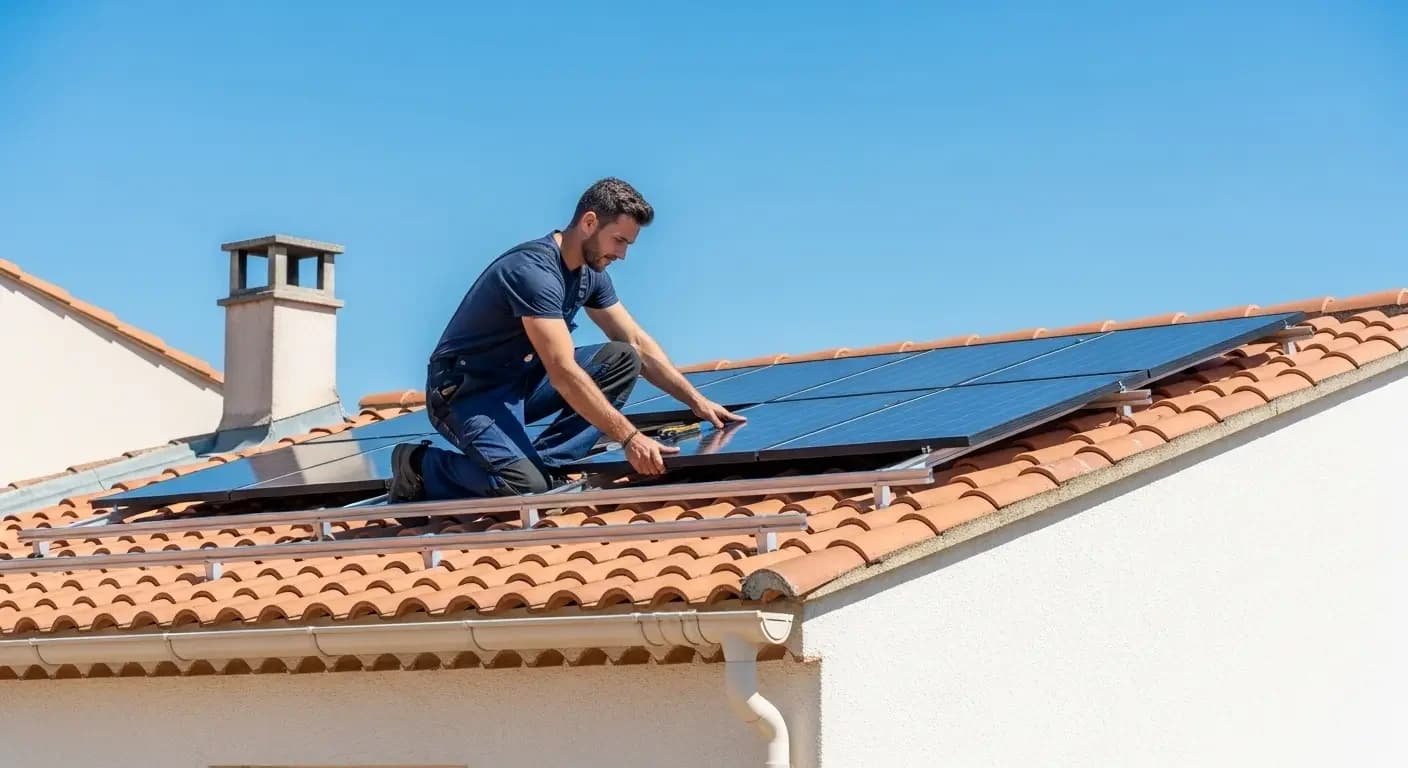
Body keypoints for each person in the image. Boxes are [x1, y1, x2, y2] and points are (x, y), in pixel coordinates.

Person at [387, 177, 746, 505]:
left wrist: (696, 400)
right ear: (589, 222)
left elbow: (634, 340)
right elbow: (562, 370)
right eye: (618, 240)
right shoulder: (533, 272)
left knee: (622, 358)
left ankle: (546, 464)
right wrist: (628, 438)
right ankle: (420, 464)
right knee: (525, 489)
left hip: (519, 383)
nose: (622, 254)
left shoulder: (591, 274)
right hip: (468, 393)